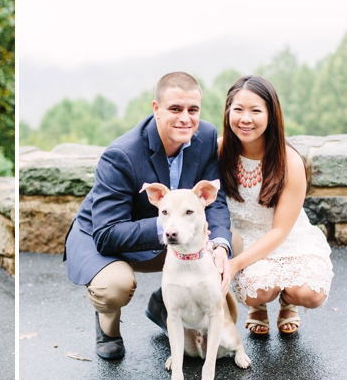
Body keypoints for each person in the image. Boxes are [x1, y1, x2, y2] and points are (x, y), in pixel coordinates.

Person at [65, 72, 236, 360]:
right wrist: (170, 224)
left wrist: (219, 244)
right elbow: (107, 233)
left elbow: (214, 202)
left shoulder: (205, 137)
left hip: (169, 232)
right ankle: (108, 327)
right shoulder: (121, 154)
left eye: (192, 110)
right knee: (114, 286)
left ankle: (164, 304)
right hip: (102, 236)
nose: (185, 118)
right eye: (175, 109)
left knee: (233, 246)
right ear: (156, 109)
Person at [219, 75, 333, 335]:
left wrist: (234, 265)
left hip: (287, 237)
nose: (245, 119)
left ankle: (287, 301)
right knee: (257, 292)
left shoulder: (289, 160)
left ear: (271, 114)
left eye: (255, 111)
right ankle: (257, 308)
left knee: (310, 294)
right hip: (245, 237)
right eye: (238, 110)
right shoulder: (220, 150)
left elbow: (280, 231)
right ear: (228, 112)